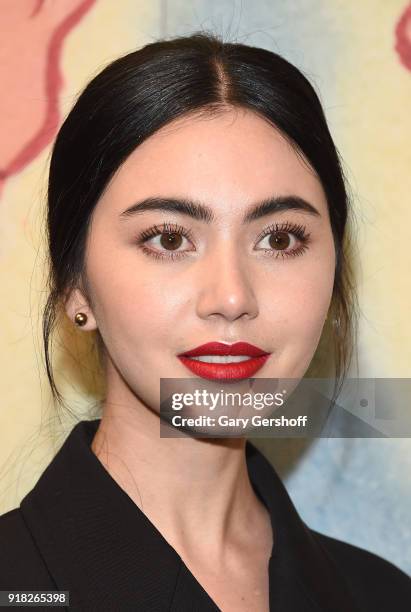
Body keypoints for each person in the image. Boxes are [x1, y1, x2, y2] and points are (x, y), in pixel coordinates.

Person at [0, 31, 410, 612]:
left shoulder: (384, 596)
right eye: (169, 238)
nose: (232, 295)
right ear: (74, 284)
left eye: (280, 238)